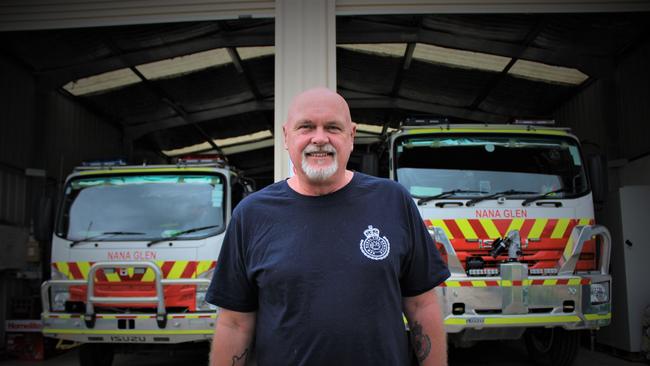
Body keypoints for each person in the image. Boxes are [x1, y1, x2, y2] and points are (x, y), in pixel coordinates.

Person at [207, 87, 450, 366]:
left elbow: (422, 305)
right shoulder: (251, 215)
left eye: (333, 127)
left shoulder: (393, 201)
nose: (320, 138)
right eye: (306, 127)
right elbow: (235, 323)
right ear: (286, 136)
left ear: (352, 136)